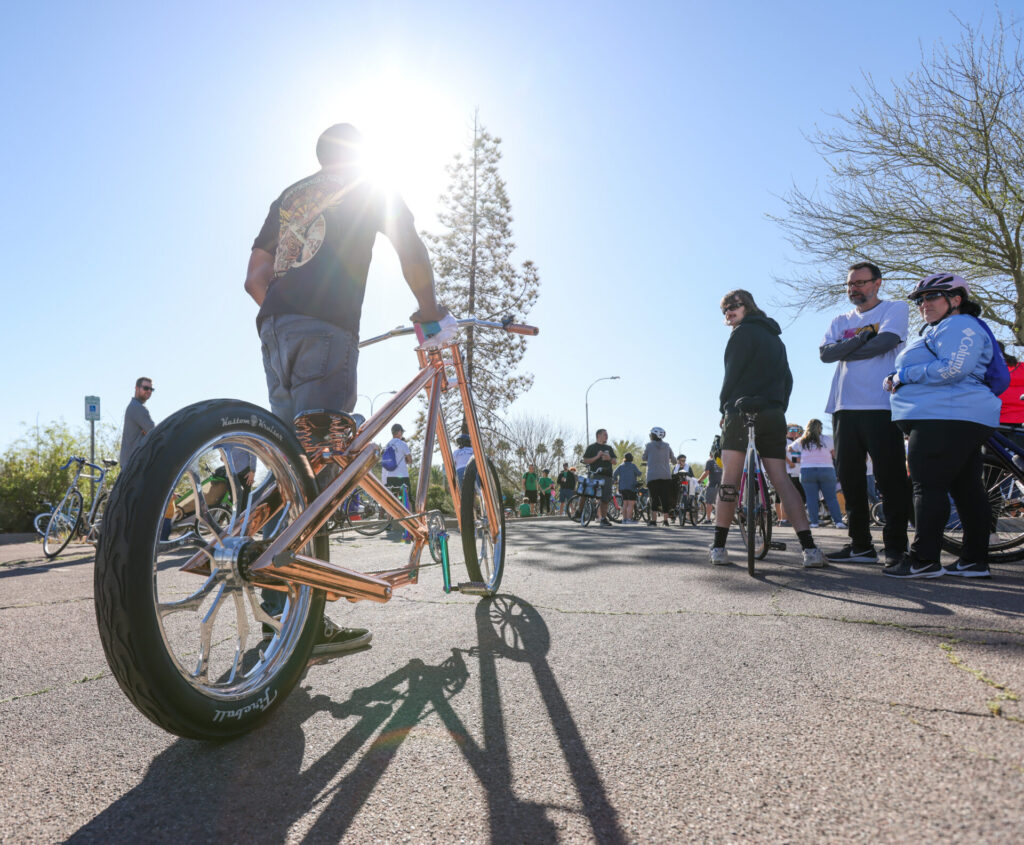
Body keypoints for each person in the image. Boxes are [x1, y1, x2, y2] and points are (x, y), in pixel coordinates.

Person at [244, 123, 451, 656]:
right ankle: (301, 621)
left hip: (275, 330)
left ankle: (277, 598)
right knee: (320, 472)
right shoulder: (372, 186)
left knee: (292, 460)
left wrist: (283, 314)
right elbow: (411, 253)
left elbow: (255, 275)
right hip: (326, 330)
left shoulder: (292, 196)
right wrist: (429, 314)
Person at [882, 273, 1001, 578]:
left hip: (946, 416)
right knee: (966, 489)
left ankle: (924, 561)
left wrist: (903, 377)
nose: (924, 304)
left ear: (956, 299)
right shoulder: (944, 327)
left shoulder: (959, 324)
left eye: (932, 297)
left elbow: (953, 369)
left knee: (928, 487)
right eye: (920, 300)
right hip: (952, 415)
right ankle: (973, 561)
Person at [710, 289, 823, 566]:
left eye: (733, 306)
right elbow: (788, 379)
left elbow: (731, 374)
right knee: (782, 480)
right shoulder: (775, 338)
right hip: (773, 412)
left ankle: (718, 548)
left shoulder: (740, 333)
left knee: (730, 480)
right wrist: (779, 407)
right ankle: (810, 550)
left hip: (741, 411)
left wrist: (725, 407)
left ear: (747, 305)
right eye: (724, 310)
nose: (728, 313)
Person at [819, 261, 911, 566]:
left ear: (877, 283)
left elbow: (885, 342)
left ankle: (896, 546)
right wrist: (860, 339)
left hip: (881, 405)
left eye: (859, 283)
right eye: (849, 284)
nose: (853, 289)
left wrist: (844, 349)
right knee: (851, 480)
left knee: (890, 478)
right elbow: (824, 355)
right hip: (844, 408)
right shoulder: (839, 319)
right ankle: (860, 545)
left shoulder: (893, 309)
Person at [798, 419, 845, 528]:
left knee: (811, 498)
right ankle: (838, 522)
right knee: (831, 498)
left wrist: (801, 456)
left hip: (807, 470)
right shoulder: (827, 439)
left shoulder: (801, 440)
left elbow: (790, 449)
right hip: (826, 470)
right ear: (820, 428)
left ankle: (814, 522)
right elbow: (834, 454)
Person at [582, 429, 617, 526]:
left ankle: (603, 519)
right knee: (588, 494)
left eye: (607, 434)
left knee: (605, 498)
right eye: (605, 434)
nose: (607, 436)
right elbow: (585, 460)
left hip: (607, 476)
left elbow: (615, 461)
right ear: (598, 435)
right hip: (595, 475)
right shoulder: (591, 447)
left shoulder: (609, 448)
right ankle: (580, 512)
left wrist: (609, 458)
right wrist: (597, 457)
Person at [642, 427, 675, 526]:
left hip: (652, 476)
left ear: (653, 435)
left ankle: (653, 521)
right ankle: (665, 521)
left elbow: (644, 458)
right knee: (665, 498)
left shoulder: (649, 445)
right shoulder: (667, 446)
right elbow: (674, 460)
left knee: (654, 498)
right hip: (666, 476)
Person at [119, 377, 156, 467]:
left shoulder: (134, 406)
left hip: (130, 462)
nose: (149, 391)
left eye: (151, 389)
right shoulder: (137, 408)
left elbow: (149, 432)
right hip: (133, 463)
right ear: (136, 388)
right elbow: (154, 432)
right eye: (146, 388)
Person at [776, 423, 805, 526]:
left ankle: (794, 518)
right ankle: (783, 519)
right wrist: (790, 462)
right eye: (791, 430)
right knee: (786, 496)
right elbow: (781, 453)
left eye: (796, 430)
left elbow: (796, 456)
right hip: (788, 472)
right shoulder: (785, 441)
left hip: (798, 473)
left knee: (799, 497)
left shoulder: (797, 442)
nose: (794, 432)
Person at [382, 424, 412, 495]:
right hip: (402, 477)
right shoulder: (403, 444)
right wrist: (405, 460)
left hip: (390, 477)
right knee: (407, 499)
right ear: (399, 432)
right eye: (402, 432)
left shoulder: (388, 445)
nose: (402, 434)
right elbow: (410, 460)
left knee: (393, 501)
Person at [613, 453, 643, 523]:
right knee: (630, 503)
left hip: (622, 488)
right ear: (631, 458)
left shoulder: (621, 466)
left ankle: (624, 519)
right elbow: (639, 474)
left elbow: (614, 473)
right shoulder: (633, 466)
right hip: (631, 487)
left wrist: (615, 480)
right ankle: (629, 519)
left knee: (625, 503)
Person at [696, 451, 722, 522]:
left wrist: (699, 480)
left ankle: (708, 519)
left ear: (711, 455)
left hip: (712, 485)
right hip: (723, 485)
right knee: (721, 502)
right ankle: (720, 519)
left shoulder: (710, 461)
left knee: (709, 502)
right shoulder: (723, 461)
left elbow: (706, 473)